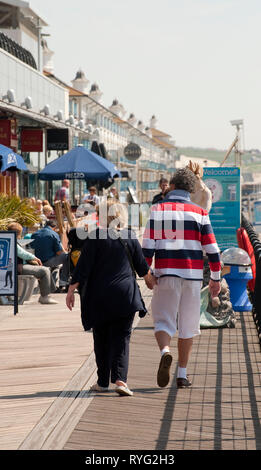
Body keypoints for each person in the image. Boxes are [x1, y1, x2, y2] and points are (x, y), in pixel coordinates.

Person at [66, 200, 155, 397]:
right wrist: (153, 283)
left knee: (102, 338)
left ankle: (102, 381)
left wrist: (71, 290)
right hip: (125, 295)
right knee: (122, 338)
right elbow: (143, 268)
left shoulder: (95, 237)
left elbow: (83, 267)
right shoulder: (130, 237)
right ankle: (121, 380)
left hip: (100, 296)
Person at [142, 167, 221, 389]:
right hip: (193, 277)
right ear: (190, 190)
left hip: (166, 273)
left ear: (173, 186)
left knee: (163, 321)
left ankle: (165, 352)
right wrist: (215, 279)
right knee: (188, 325)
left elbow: (147, 248)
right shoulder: (200, 213)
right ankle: (182, 375)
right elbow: (212, 250)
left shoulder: (158, 210)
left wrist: (146, 273)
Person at [7, 222, 58, 304]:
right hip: (16, 267)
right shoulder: (12, 241)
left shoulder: (6, 240)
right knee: (44, 271)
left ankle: (48, 293)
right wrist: (34, 258)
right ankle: (45, 297)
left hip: (11, 267)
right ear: (19, 233)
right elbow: (22, 253)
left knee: (45, 269)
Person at [30, 220, 69, 288]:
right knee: (67, 257)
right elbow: (59, 252)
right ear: (54, 227)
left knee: (56, 264)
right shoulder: (54, 234)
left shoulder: (34, 234)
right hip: (48, 261)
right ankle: (63, 281)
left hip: (37, 261)